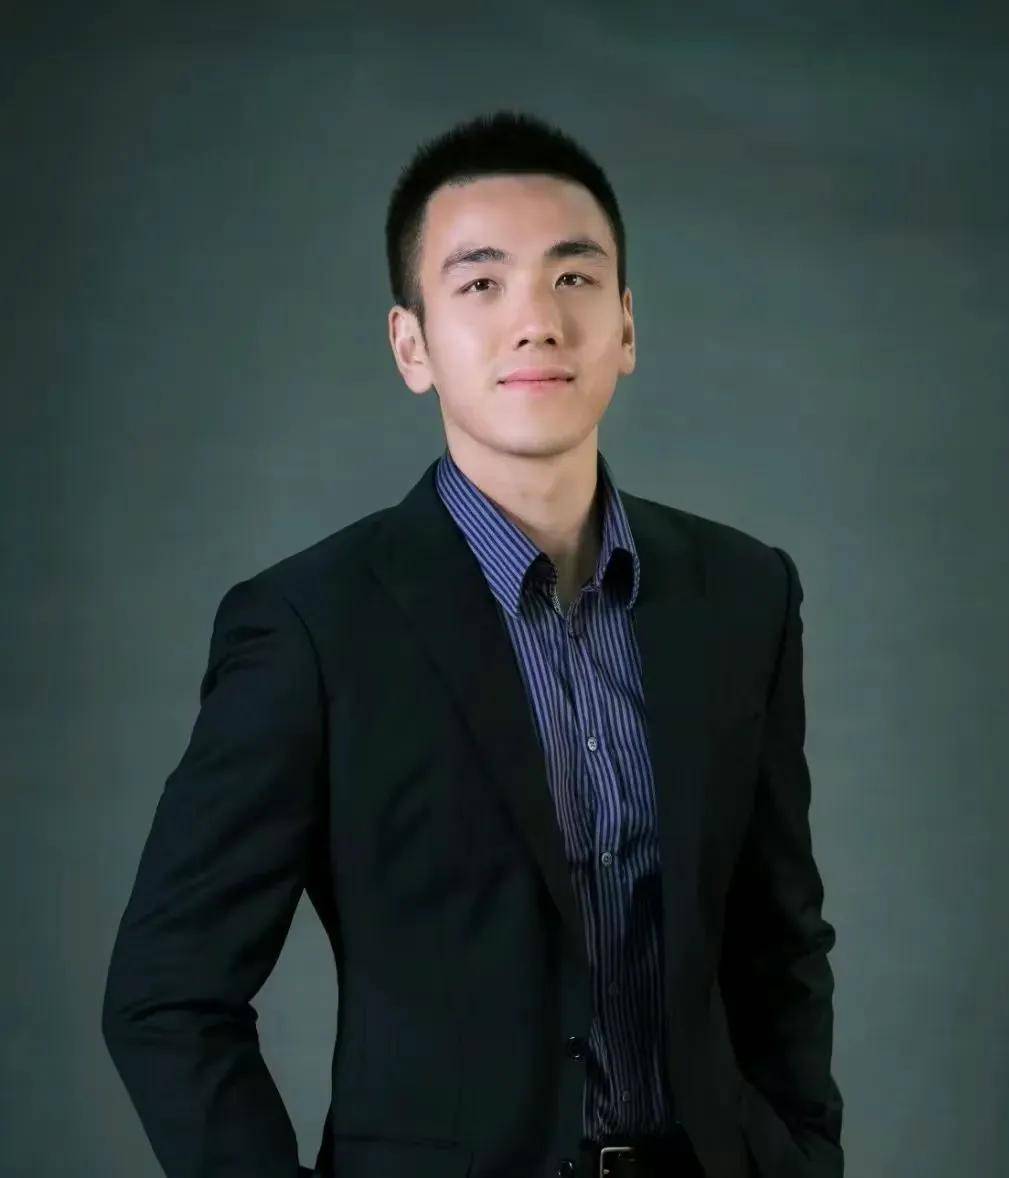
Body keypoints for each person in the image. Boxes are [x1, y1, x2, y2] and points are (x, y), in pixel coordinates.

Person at [101, 109, 844, 1178]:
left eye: (574, 277)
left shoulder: (741, 592)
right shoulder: (313, 626)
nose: (536, 321)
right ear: (412, 345)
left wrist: (805, 1155)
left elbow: (780, 942)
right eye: (482, 283)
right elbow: (166, 991)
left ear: (627, 326)